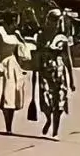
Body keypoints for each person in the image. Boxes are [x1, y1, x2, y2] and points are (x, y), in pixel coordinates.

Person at [32, 8, 74, 140]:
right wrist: (35, 71)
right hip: (44, 71)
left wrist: (71, 79)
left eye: (57, 21)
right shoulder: (41, 36)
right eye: (53, 20)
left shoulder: (62, 39)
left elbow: (67, 59)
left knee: (59, 101)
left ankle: (55, 131)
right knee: (46, 101)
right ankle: (48, 119)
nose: (55, 23)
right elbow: (37, 55)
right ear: (48, 20)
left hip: (59, 72)